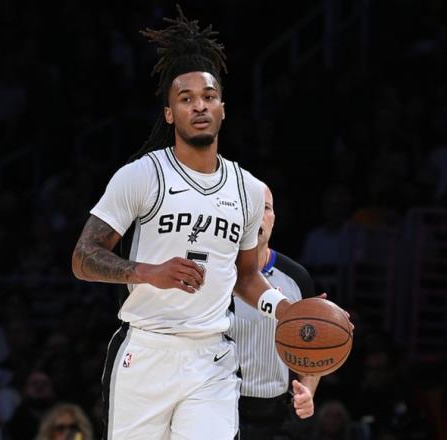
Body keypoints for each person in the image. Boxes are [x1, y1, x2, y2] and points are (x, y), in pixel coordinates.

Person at [71, 6, 300, 439]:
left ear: (223, 109)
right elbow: (83, 258)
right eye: (186, 98)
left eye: (209, 96)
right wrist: (147, 272)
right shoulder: (142, 175)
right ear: (169, 113)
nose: (199, 105)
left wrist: (284, 308)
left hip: (211, 358)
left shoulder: (249, 190)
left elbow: (246, 276)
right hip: (146, 351)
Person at [227, 183, 319, 439]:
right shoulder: (215, 273)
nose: (258, 216)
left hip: (278, 413)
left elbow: (312, 346)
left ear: (274, 218)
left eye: (265, 208)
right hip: (219, 404)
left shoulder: (297, 277)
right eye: (251, 208)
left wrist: (308, 390)